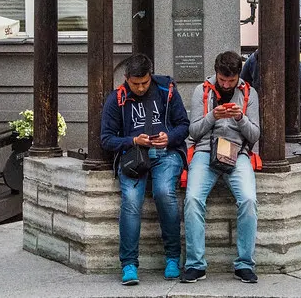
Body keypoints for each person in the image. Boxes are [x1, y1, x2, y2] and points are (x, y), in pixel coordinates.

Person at [100, 54, 190, 286]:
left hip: (166, 154)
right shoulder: (116, 98)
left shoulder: (166, 89)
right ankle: (129, 263)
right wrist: (132, 141)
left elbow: (184, 125)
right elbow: (106, 139)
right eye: (135, 83)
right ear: (126, 78)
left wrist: (168, 138)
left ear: (151, 76)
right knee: (130, 200)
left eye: (144, 83)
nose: (140, 88)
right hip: (133, 157)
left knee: (164, 193)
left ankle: (172, 258)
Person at [182, 51, 260, 284]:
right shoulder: (202, 91)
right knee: (193, 198)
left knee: (248, 200)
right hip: (205, 151)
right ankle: (196, 264)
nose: (226, 85)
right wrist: (212, 116)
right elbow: (193, 132)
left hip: (237, 153)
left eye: (231, 81)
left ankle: (244, 263)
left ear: (238, 76)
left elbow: (255, 134)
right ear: (216, 72)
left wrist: (240, 119)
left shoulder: (249, 93)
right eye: (222, 80)